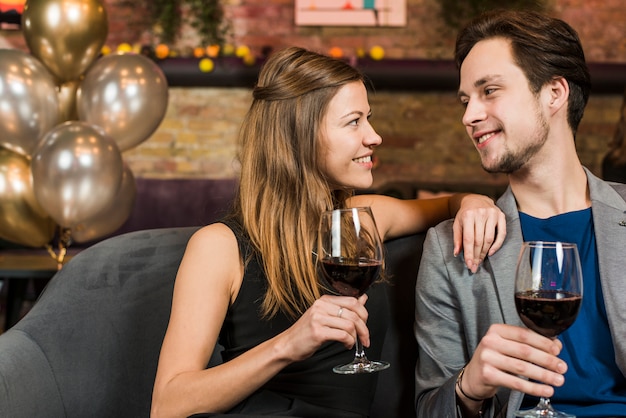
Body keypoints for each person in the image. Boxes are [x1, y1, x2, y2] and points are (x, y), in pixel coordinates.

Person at [150, 46, 506, 418]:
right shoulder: (218, 247)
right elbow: (168, 403)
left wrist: (474, 201)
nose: (374, 136)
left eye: (369, 118)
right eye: (354, 122)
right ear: (300, 137)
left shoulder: (364, 219)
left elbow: (452, 203)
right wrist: (289, 344)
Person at [414, 9, 626, 418]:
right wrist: (469, 386)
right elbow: (429, 409)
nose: (468, 115)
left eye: (489, 91)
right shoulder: (448, 248)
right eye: (465, 100)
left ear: (554, 93)